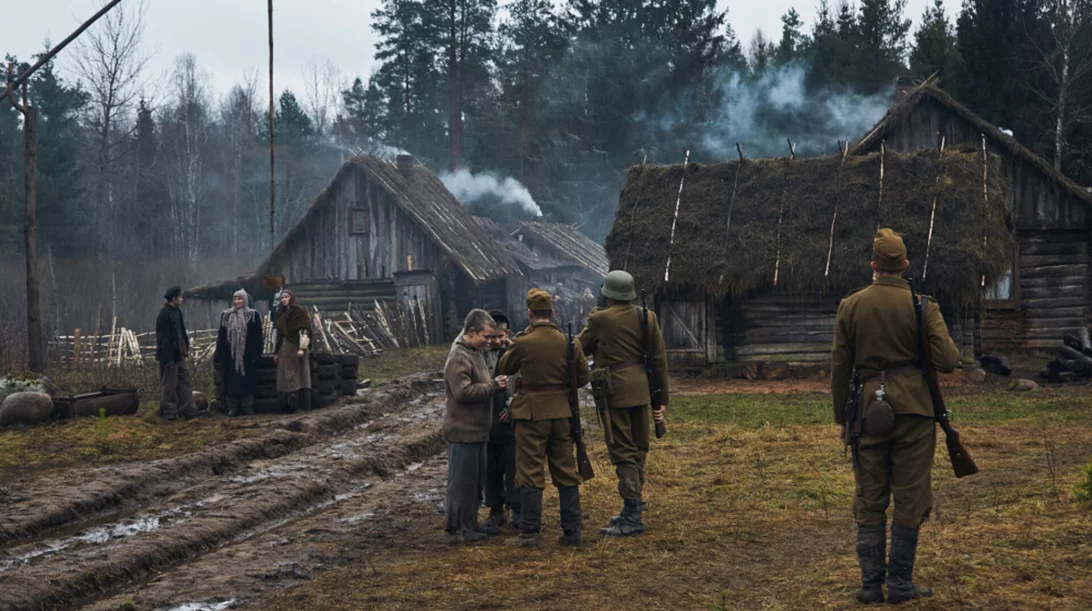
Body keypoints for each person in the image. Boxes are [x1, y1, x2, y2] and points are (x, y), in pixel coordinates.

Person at [831, 228, 960, 605]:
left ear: (873, 265)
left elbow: (840, 369)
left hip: (866, 412)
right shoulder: (923, 306)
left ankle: (871, 585)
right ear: (904, 265)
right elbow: (949, 361)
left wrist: (841, 418)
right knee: (910, 495)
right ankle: (900, 585)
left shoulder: (850, 305)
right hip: (916, 413)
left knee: (870, 496)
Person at [577, 270, 668, 537]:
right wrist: (661, 399)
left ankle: (633, 514)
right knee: (639, 446)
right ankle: (632, 509)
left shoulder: (599, 318)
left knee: (622, 449)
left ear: (608, 293)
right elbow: (660, 359)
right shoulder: (646, 316)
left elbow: (580, 347)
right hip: (642, 390)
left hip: (614, 391)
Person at [499, 289, 590, 547]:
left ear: (530, 313)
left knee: (529, 472)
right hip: (562, 413)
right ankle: (572, 531)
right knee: (566, 471)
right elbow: (583, 378)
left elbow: (506, 367)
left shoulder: (523, 342)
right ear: (552, 312)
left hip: (531, 415)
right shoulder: (570, 342)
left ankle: (529, 533)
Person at [443, 309, 508, 544]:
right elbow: (463, 392)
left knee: (474, 482)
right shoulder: (460, 356)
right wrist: (493, 386)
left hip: (478, 430)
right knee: (461, 483)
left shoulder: (473, 351)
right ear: (472, 332)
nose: (489, 341)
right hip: (464, 430)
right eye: (486, 336)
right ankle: (456, 529)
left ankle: (470, 524)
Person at [481, 311, 519, 532]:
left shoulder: (516, 352)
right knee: (491, 469)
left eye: (499, 336)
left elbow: (525, 382)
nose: (495, 341)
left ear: (507, 332)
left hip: (511, 422)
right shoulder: (480, 355)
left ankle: (518, 510)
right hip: (487, 422)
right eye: (491, 336)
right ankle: (496, 512)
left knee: (514, 468)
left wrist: (512, 406)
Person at [214, 289, 265, 417]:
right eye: (235, 299)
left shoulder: (253, 316)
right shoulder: (226, 315)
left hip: (247, 355)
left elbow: (258, 337)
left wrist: (256, 354)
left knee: (247, 381)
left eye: (240, 299)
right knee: (231, 382)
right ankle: (232, 407)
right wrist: (219, 353)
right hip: (230, 355)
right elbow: (221, 336)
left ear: (245, 300)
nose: (237, 301)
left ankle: (247, 406)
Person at [156, 286, 198, 421]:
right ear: (174, 299)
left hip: (180, 355)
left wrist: (185, 350)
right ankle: (169, 412)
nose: (181, 299)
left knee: (185, 383)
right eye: (179, 297)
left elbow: (181, 334)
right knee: (169, 385)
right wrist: (168, 360)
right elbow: (163, 339)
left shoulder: (177, 312)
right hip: (170, 357)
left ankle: (188, 411)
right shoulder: (164, 314)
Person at [274, 289, 313, 413]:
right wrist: (276, 351)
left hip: (296, 346)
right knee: (285, 376)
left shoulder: (299, 311)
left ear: (291, 298)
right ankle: (287, 405)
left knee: (298, 375)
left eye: (286, 297)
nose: (284, 300)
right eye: (282, 298)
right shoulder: (281, 312)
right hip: (284, 348)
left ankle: (300, 405)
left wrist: (302, 347)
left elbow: (304, 330)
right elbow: (279, 334)